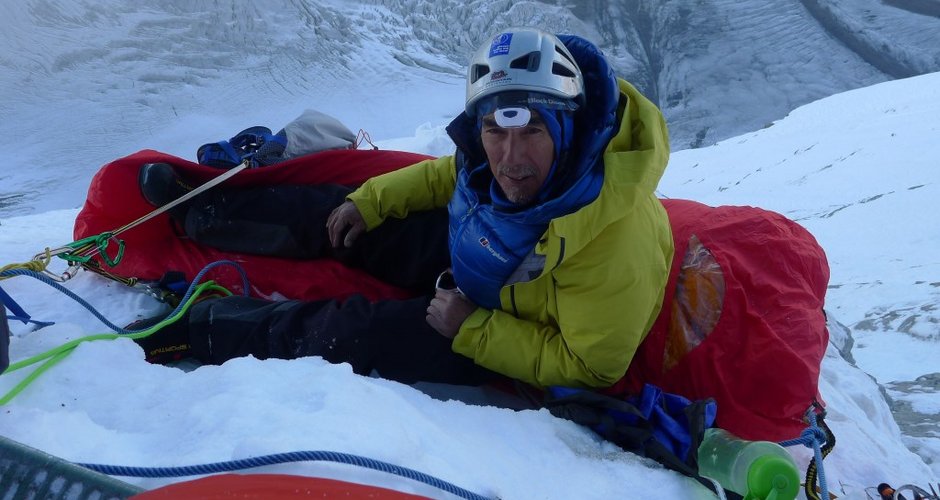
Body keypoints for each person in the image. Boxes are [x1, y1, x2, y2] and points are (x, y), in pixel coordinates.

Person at [136, 27, 674, 391]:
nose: (510, 159)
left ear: (567, 128)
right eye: (495, 131)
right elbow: (450, 175)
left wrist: (472, 328)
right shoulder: (503, 163)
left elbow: (590, 367)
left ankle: (201, 330)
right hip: (485, 249)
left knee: (352, 331)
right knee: (341, 214)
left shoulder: (612, 242)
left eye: (532, 131)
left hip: (504, 321)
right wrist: (369, 203)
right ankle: (203, 210)